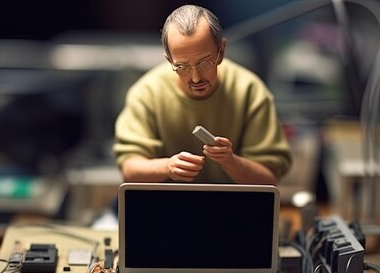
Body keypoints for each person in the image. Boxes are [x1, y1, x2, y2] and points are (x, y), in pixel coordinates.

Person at [113, 4, 292, 184]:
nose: (196, 78)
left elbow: (269, 179)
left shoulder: (249, 91)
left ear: (221, 52)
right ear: (169, 59)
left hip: (234, 204)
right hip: (167, 204)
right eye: (182, 67)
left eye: (204, 63)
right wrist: (167, 167)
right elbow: (129, 170)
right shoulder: (147, 93)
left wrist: (231, 162)